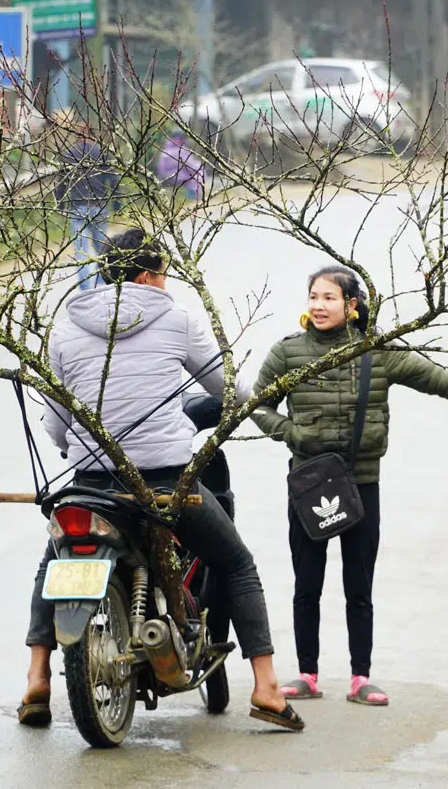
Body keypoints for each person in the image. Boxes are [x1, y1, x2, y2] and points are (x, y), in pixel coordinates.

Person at [18, 227, 304, 733]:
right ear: (150, 275)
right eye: (165, 275)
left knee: (52, 561)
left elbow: (58, 420)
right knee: (236, 562)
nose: (167, 284)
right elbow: (227, 389)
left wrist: (74, 448)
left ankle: (37, 677)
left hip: (91, 482)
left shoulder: (66, 327)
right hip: (166, 484)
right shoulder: (175, 318)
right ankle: (266, 687)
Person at [250, 266, 448, 707]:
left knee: (359, 585)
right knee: (307, 584)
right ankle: (307, 673)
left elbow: (443, 381)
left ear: (351, 305)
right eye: (313, 297)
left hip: (362, 484)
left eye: (328, 298)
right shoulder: (288, 353)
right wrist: (292, 434)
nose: (319, 306)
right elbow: (257, 405)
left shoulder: (376, 353)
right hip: (308, 485)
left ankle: (361, 677)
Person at [51, 113, 121, 291]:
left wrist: (60, 205)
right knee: (102, 250)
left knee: (81, 252)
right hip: (99, 207)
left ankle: (86, 291)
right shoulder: (102, 154)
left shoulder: (68, 155)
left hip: (77, 207)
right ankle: (101, 284)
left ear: (77, 136)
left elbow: (61, 181)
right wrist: (118, 205)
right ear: (92, 135)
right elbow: (113, 180)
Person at [153, 129, 205, 203]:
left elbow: (160, 169)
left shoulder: (165, 151)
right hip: (178, 178)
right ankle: (193, 195)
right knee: (198, 173)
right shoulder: (181, 151)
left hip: (166, 178)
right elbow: (191, 167)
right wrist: (200, 166)